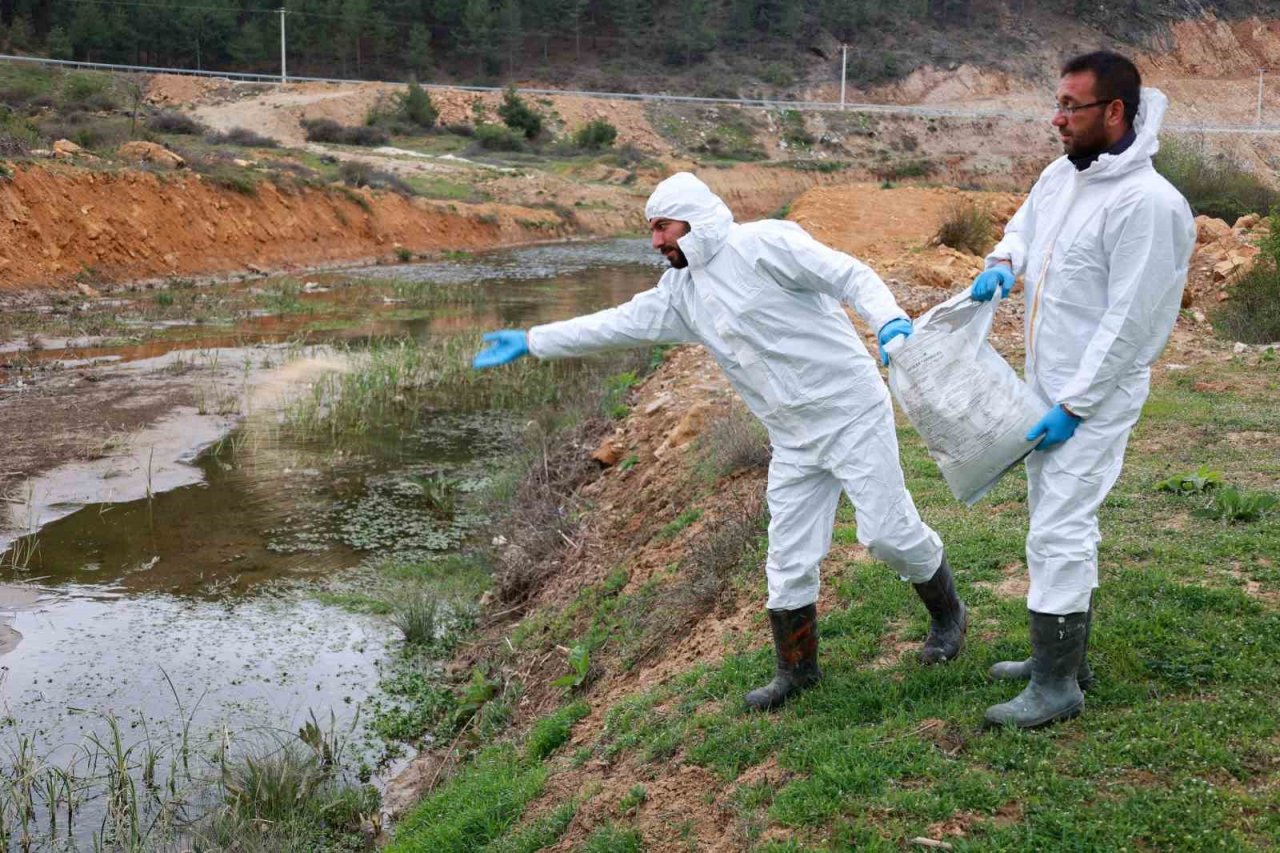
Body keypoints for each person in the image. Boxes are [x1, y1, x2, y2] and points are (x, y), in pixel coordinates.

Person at [474, 171, 967, 711]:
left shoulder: (765, 245)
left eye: (663, 226)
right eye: (652, 229)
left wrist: (890, 320)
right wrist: (531, 340)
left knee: (887, 533)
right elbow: (616, 323)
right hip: (792, 436)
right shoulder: (682, 294)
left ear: (698, 219)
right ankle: (797, 671)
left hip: (849, 412)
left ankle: (949, 614)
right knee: (787, 557)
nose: (656, 241)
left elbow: (850, 275)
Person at [970, 52, 1195, 728]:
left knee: (1062, 525)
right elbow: (1024, 227)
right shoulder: (1064, 174)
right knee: (1049, 514)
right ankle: (1061, 659)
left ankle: (1057, 684)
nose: (1057, 118)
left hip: (1091, 397)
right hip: (1047, 384)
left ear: (1115, 112)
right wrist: (1003, 262)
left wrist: (1076, 404)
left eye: (1072, 106)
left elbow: (1132, 321)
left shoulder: (1148, 204)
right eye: (1059, 103)